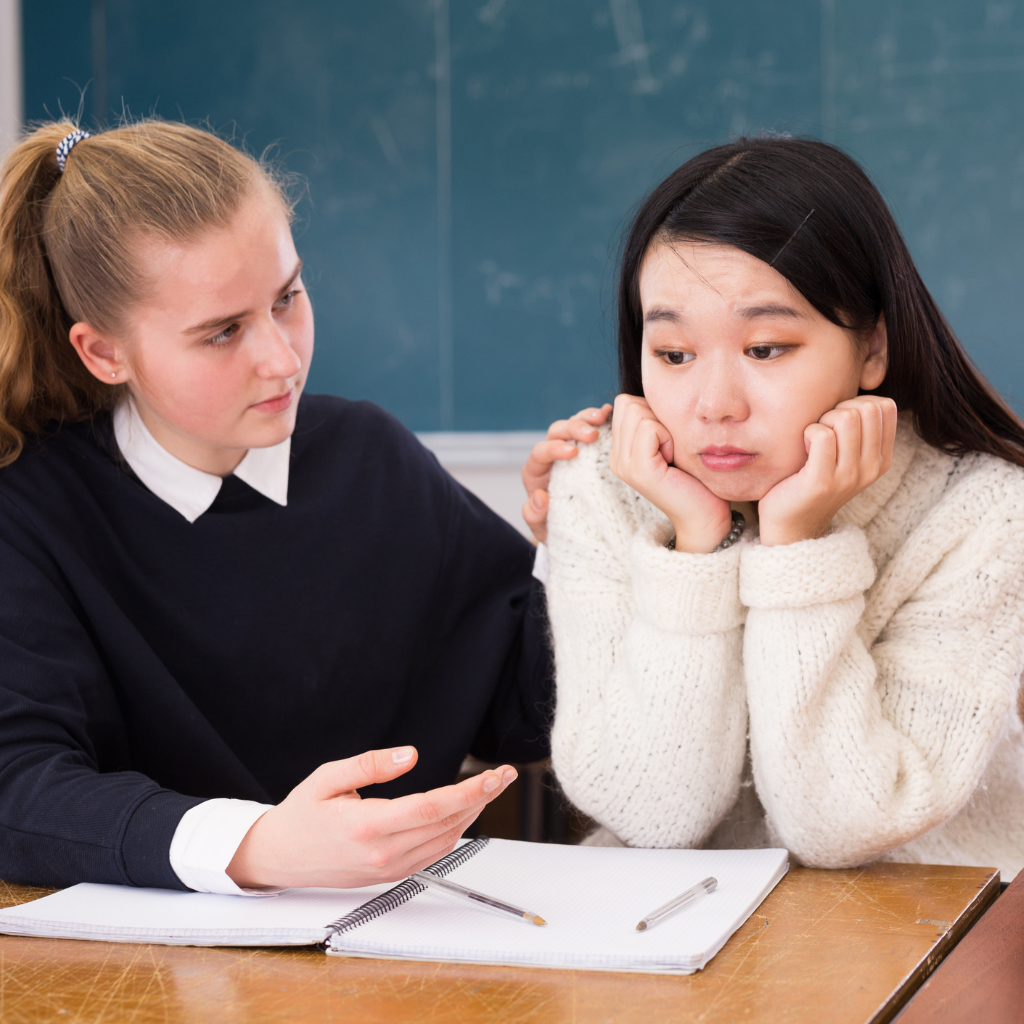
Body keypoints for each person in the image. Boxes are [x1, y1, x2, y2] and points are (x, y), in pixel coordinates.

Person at [0, 119, 553, 893]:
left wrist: (584, 542)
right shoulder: (31, 513)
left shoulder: (370, 456)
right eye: (222, 332)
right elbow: (19, 789)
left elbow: (525, 703)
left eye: (287, 298)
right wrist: (255, 846)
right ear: (104, 353)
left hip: (387, 956)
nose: (281, 358)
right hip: (147, 988)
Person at [529, 136, 1024, 878]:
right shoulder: (601, 487)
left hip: (929, 934)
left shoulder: (984, 509)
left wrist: (798, 544)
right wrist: (695, 547)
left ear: (872, 349)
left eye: (765, 349)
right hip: (672, 942)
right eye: (673, 355)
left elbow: (847, 825)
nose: (714, 407)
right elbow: (648, 813)